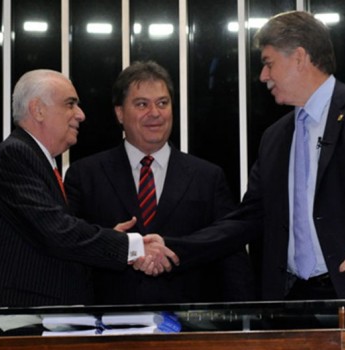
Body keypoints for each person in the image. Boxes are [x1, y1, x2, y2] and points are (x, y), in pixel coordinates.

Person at [161, 10, 345, 300]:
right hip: (294, 301)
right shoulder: (274, 138)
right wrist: (174, 247)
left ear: (299, 57)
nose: (262, 76)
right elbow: (246, 219)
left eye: (268, 63)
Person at [0, 69, 178, 307]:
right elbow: (58, 233)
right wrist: (132, 246)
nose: (80, 115)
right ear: (38, 110)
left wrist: (113, 241)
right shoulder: (15, 155)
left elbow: (55, 237)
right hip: (3, 323)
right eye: (70, 104)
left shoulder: (39, 161)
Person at [64, 60, 256, 304]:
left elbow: (230, 256)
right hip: (109, 327)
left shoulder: (207, 177)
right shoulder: (85, 175)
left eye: (162, 103)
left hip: (187, 329)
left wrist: (244, 330)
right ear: (120, 113)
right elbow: (71, 251)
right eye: (142, 104)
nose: (154, 113)